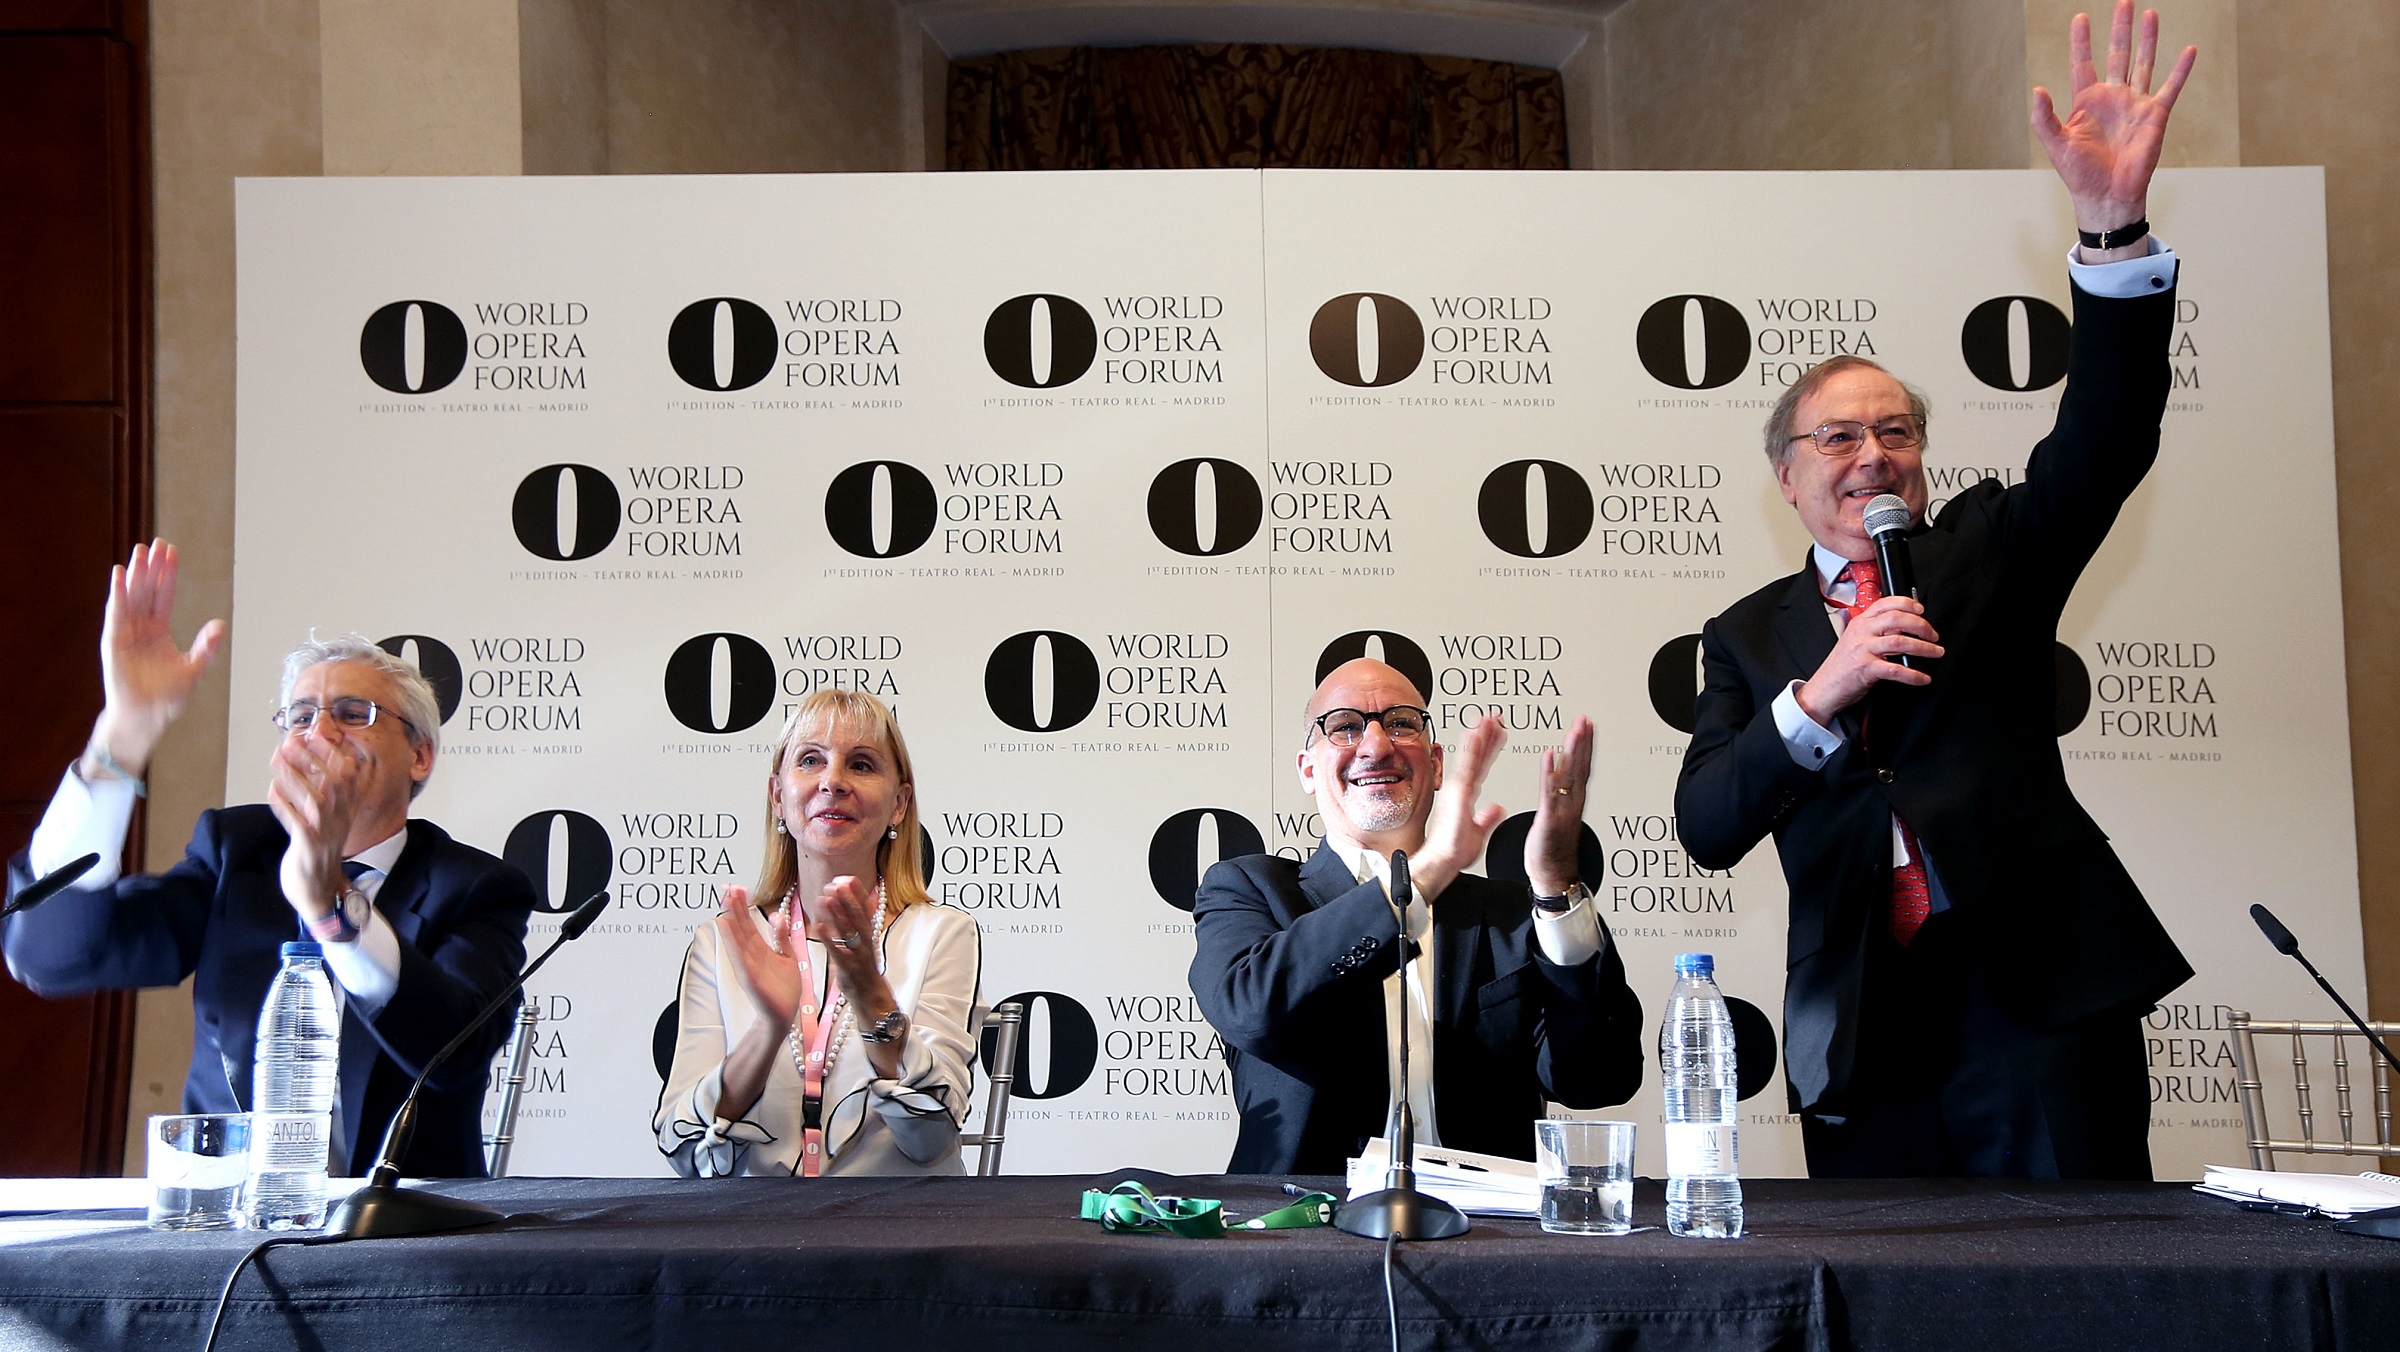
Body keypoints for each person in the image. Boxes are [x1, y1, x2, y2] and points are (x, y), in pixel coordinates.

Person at [1675, 4, 2199, 1179]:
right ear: (1787, 473)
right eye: (1842, 437)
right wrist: (1820, 695)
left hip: (2039, 1000)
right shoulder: (1750, 637)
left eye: (1897, 431)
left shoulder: (1987, 548)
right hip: (1865, 1027)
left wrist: (2111, 230)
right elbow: (1708, 823)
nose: (1875, 456)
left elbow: (2106, 438)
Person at [4, 541, 535, 1177]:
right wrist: (124, 731)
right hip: (225, 1231)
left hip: (400, 1243)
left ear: (419, 755)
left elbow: (456, 1053)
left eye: (353, 713)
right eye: (300, 716)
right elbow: (54, 953)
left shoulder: (476, 887)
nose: (320, 732)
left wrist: (333, 908)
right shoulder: (235, 853)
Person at [1188, 658, 1644, 1174]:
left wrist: (1558, 887)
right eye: (1344, 728)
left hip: (1488, 1236)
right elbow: (1252, 1011)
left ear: (1436, 763)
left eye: (1401, 722)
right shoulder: (1249, 888)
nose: (1377, 746)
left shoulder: (1515, 915)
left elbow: (1600, 1079)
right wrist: (1426, 872)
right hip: (1305, 1229)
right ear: (1308, 770)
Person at [654, 689, 981, 1177]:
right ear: (777, 796)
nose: (833, 781)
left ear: (899, 804)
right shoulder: (722, 941)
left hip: (899, 1237)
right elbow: (685, 1151)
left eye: (862, 765)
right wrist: (768, 1028)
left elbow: (930, 1139)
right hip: (752, 1240)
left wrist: (872, 996)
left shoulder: (943, 933)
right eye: (810, 760)